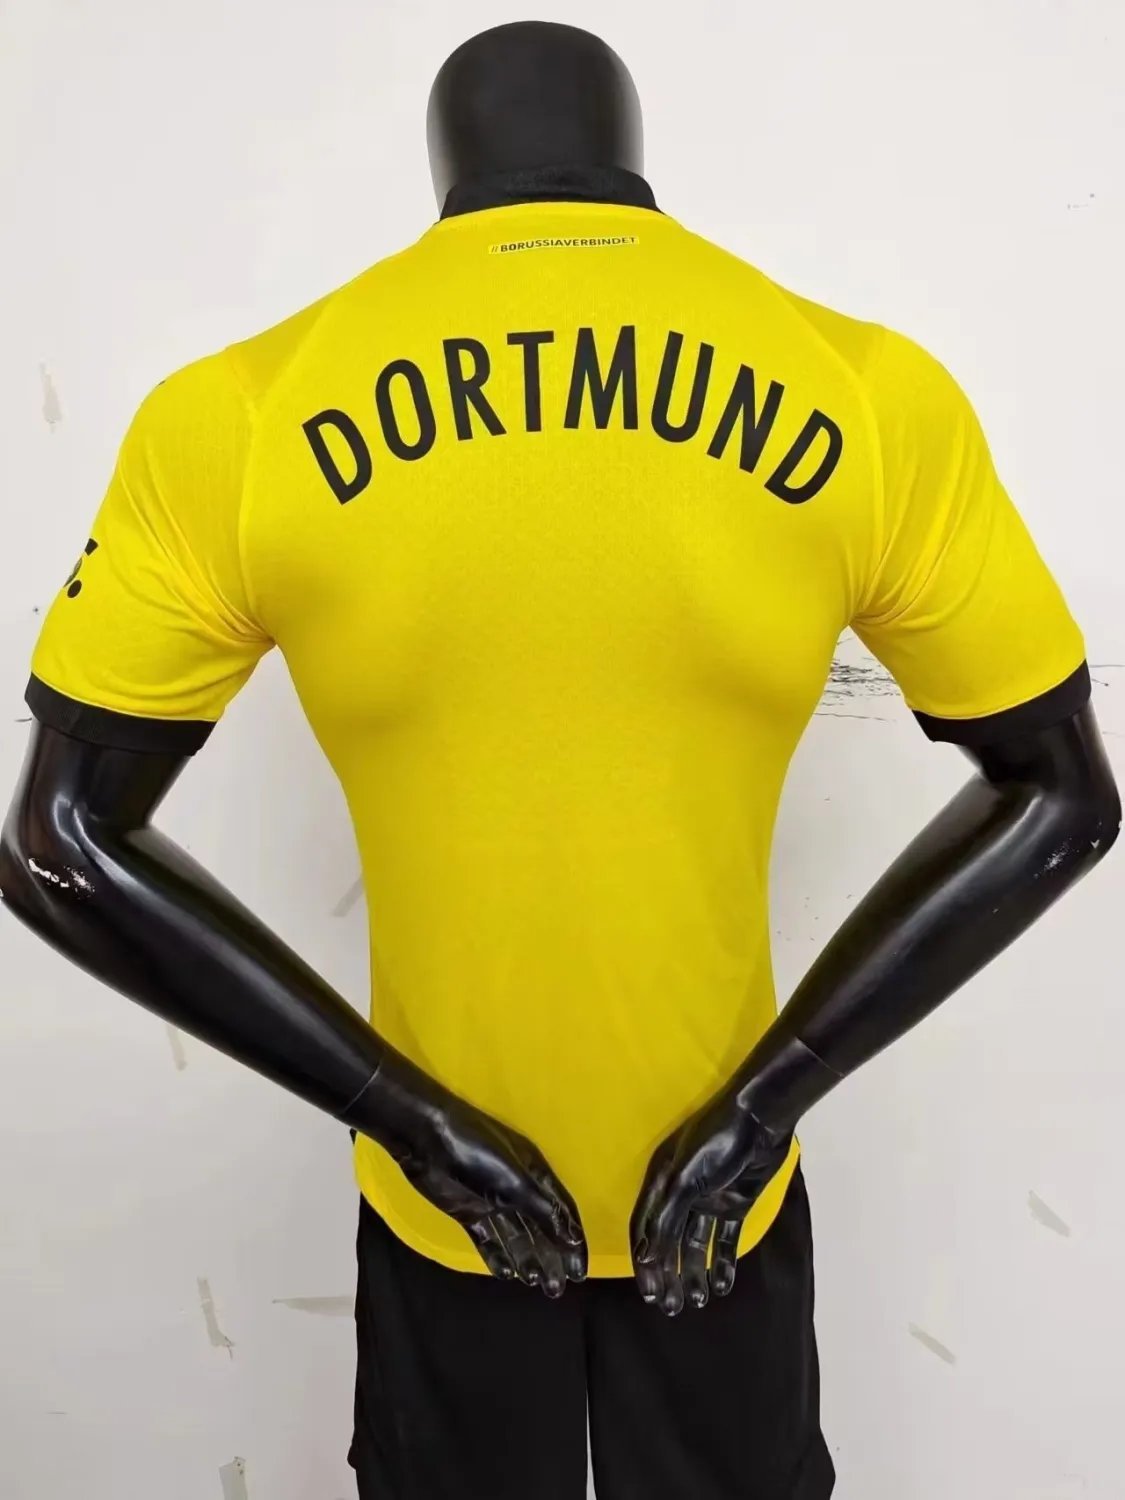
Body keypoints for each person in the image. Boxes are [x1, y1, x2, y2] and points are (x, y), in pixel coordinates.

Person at [1, 19, 1118, 1500]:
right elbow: (1061, 795)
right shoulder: (863, 390)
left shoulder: (241, 414)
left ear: (443, 157)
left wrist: (406, 1115)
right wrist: (764, 1101)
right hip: (718, 1192)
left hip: (447, 1200)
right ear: (630, 146)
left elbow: (58, 844)